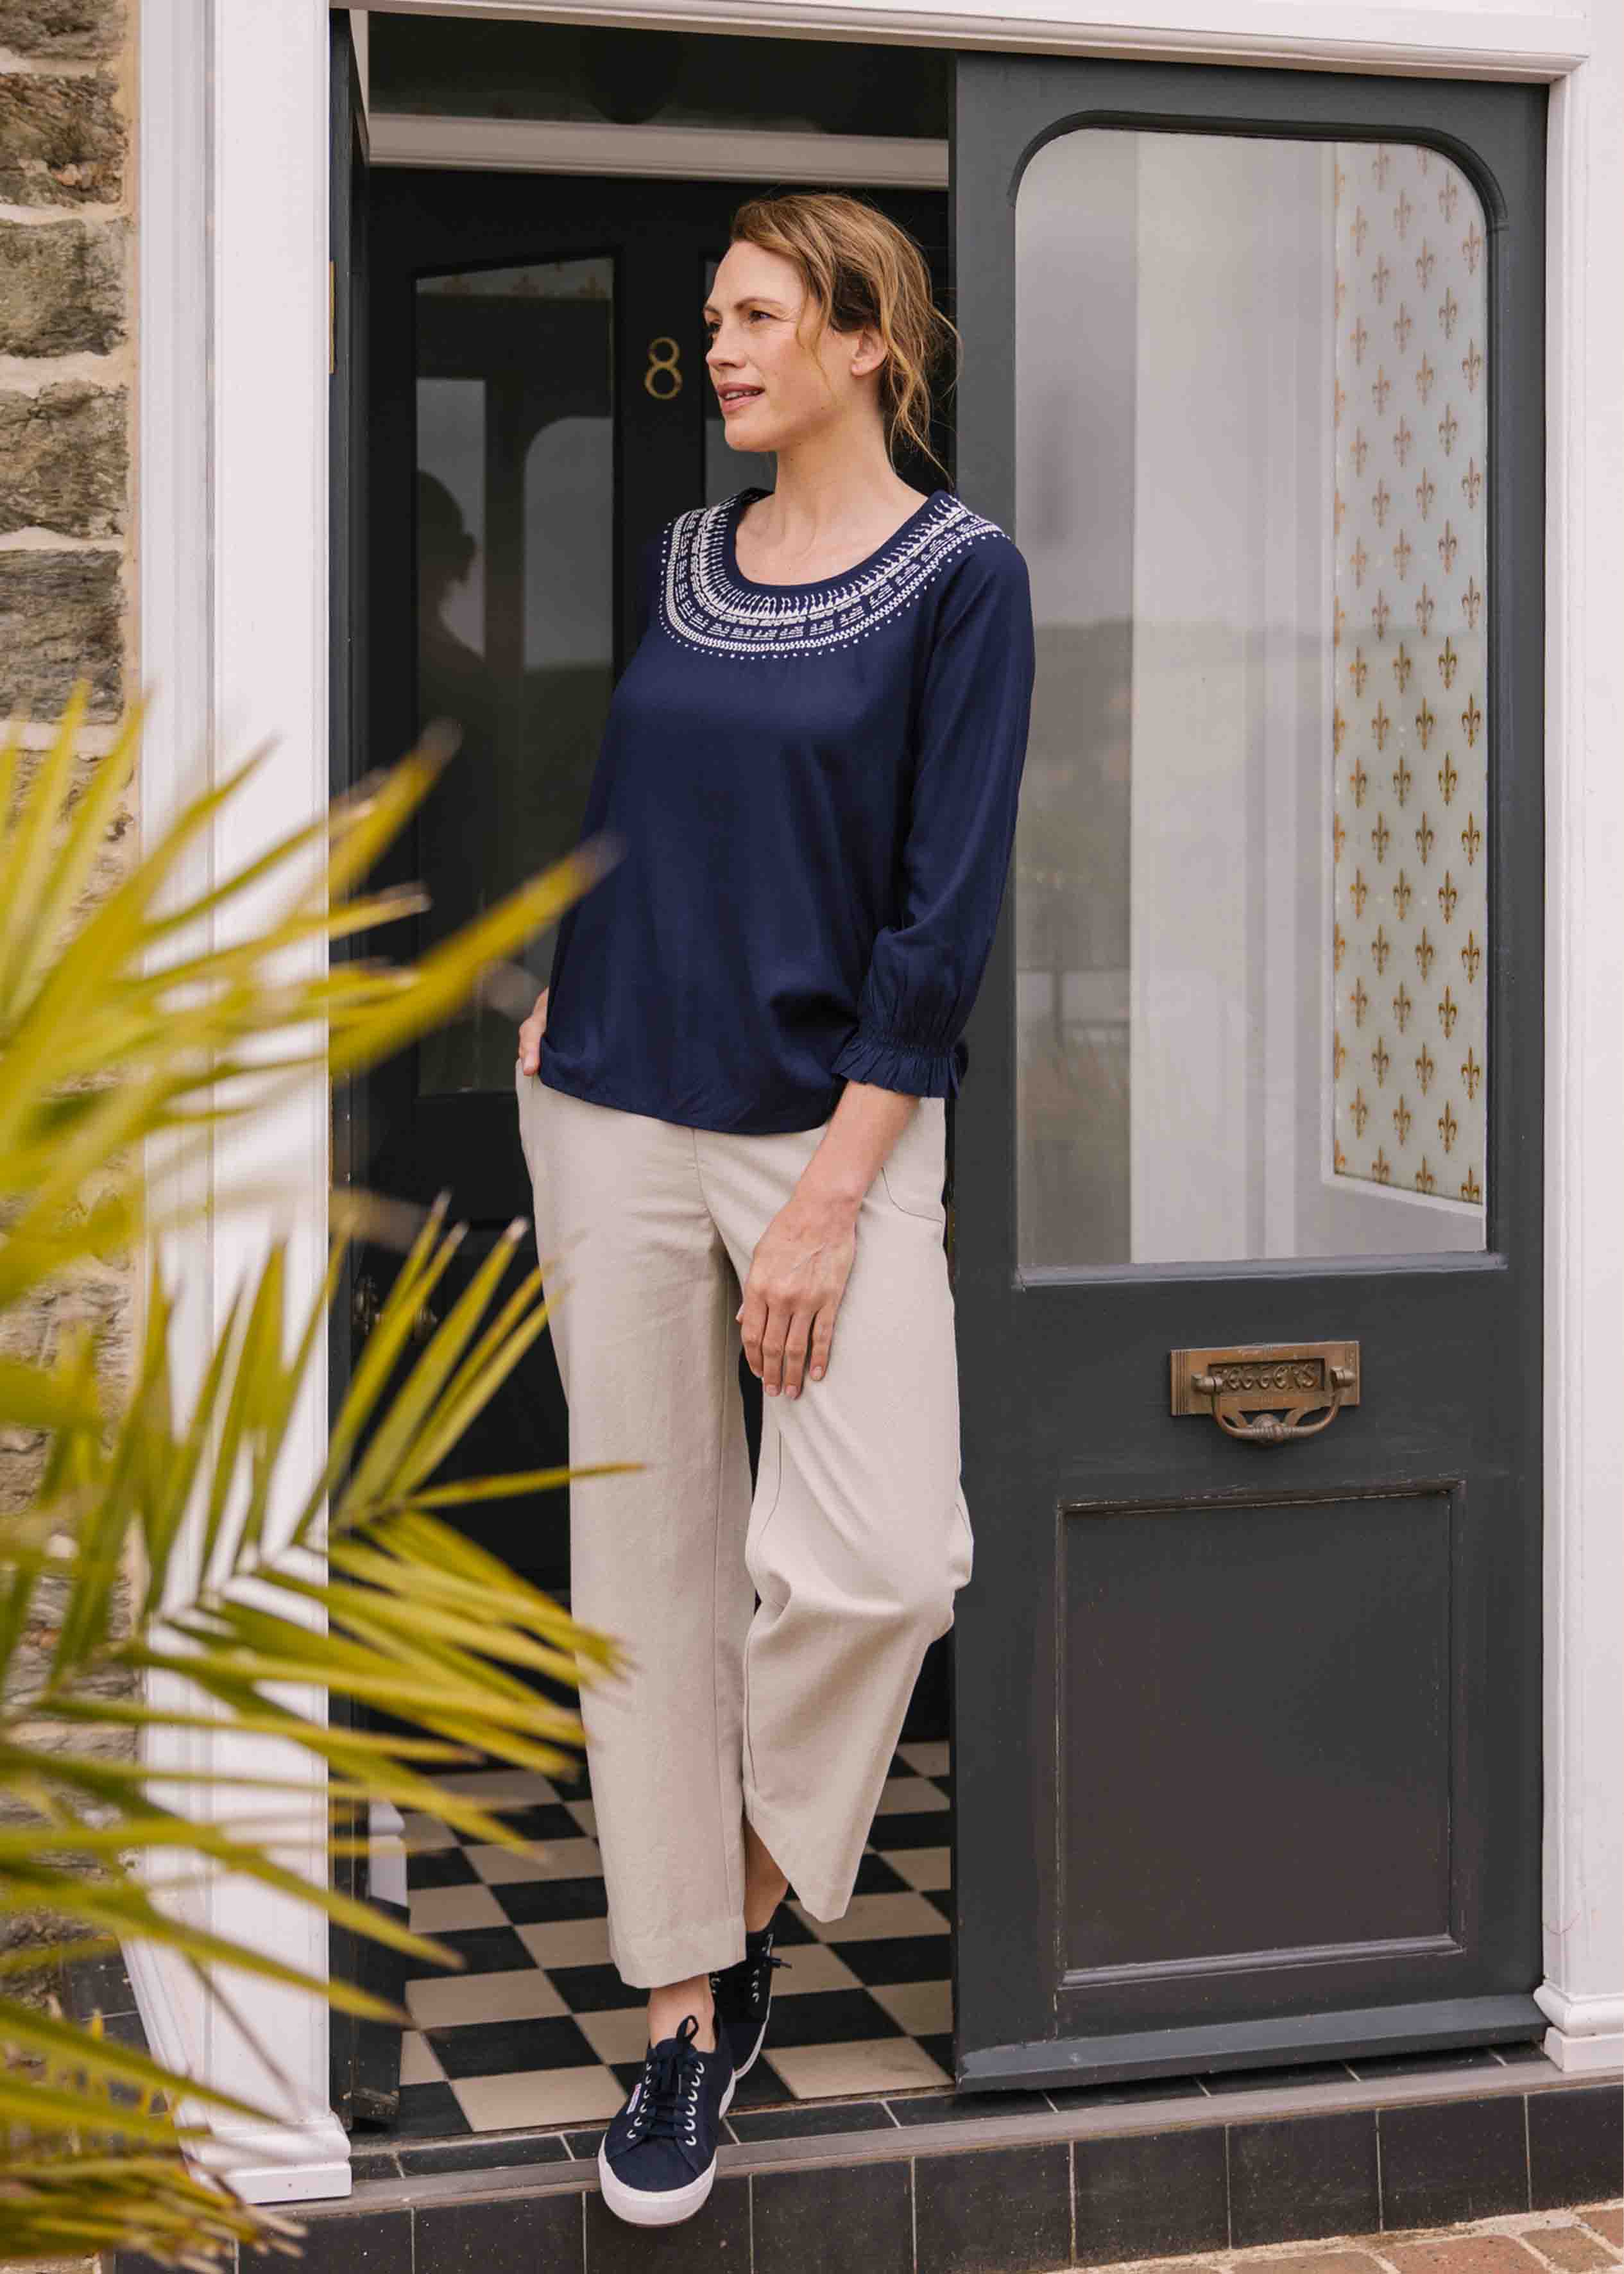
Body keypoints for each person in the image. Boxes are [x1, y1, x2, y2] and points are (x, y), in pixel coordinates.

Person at [513, 189, 1035, 2230]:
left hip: (832, 1124)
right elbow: (645, 798)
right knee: (645, 1568)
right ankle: (678, 2025)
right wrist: (574, 970)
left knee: (886, 1561)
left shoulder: (961, 579)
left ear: (861, 343)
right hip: (612, 1102)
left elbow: (942, 911)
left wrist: (828, 1197)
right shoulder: (685, 555)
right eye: (717, 319)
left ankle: (727, 1916)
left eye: (753, 318)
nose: (719, 350)